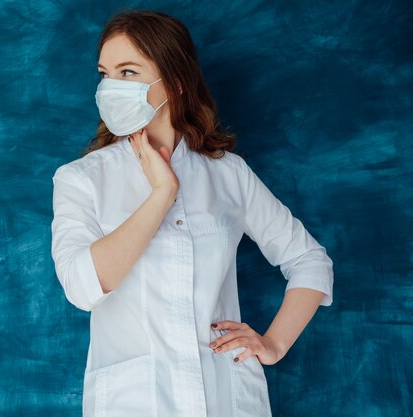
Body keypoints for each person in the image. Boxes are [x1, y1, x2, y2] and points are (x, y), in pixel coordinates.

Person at [50, 9, 334, 417]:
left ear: (176, 84)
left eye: (128, 72)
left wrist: (273, 344)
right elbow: (81, 287)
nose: (111, 87)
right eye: (105, 74)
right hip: (138, 402)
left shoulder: (227, 173)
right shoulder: (81, 179)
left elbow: (309, 261)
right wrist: (162, 193)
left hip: (226, 396)